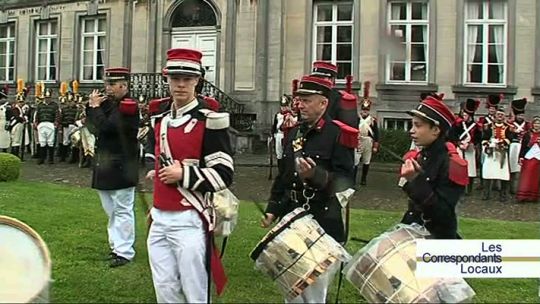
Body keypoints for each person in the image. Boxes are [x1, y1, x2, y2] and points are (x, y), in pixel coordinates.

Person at [144, 48, 233, 303]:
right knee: (164, 289)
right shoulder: (159, 119)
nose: (180, 84)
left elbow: (224, 174)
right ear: (167, 80)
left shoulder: (210, 121)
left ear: (197, 80)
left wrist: (183, 174)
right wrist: (157, 170)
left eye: (187, 78)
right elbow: (159, 151)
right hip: (159, 216)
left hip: (189, 218)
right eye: (175, 78)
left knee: (195, 291)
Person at [261, 75, 357, 303]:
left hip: (322, 221)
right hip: (292, 219)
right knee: (291, 290)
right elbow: (284, 176)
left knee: (313, 294)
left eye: (306, 100)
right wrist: (273, 208)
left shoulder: (338, 134)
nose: (299, 104)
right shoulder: (294, 133)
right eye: (298, 100)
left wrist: (316, 176)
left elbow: (346, 180)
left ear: (323, 103)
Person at [86, 67, 140, 267]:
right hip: (105, 164)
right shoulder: (108, 105)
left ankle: (125, 251)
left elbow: (108, 128)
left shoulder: (128, 106)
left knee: (123, 209)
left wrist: (95, 108)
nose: (107, 88)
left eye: (112, 85)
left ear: (123, 86)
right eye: (106, 84)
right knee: (110, 210)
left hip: (122, 165)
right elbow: (92, 126)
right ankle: (116, 246)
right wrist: (91, 107)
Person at [400, 94, 468, 239]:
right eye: (412, 125)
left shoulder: (451, 163)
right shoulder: (422, 155)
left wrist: (414, 180)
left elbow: (443, 216)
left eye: (418, 125)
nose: (411, 130)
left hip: (438, 238)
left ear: (436, 130)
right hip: (414, 229)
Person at [449, 98, 481, 195]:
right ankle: (459, 188)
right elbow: (451, 134)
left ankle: (469, 189)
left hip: (470, 148)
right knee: (459, 168)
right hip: (460, 147)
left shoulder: (475, 126)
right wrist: (458, 142)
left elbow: (478, 137)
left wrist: (472, 143)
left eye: (466, 115)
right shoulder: (458, 124)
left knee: (471, 169)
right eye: (463, 115)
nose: (464, 116)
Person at [480, 106, 513, 202]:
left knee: (503, 174)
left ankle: (503, 194)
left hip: (501, 154)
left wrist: (502, 143)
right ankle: (486, 193)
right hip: (490, 153)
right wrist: (488, 144)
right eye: (498, 114)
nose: (500, 116)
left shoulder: (508, 127)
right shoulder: (488, 126)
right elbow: (484, 138)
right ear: (494, 115)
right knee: (487, 172)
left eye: (502, 115)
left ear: (504, 117)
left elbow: (510, 138)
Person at [355, 81, 379, 186]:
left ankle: (363, 179)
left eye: (366, 110)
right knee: (355, 160)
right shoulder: (356, 119)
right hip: (358, 140)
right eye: (363, 109)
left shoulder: (372, 120)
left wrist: (375, 145)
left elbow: (376, 134)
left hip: (368, 141)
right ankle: (353, 178)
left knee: (366, 161)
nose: (365, 111)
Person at [507, 98, 529, 194]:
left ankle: (521, 188)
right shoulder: (510, 125)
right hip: (513, 147)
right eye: (519, 115)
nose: (521, 117)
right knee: (512, 168)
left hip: (524, 147)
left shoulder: (528, 125)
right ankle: (512, 188)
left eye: (522, 115)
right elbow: (507, 135)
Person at [516, 116, 540, 202]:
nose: (537, 125)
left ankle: (533, 196)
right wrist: (521, 157)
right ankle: (523, 196)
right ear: (532, 124)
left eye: (538, 123)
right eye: (535, 123)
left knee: (536, 178)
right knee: (526, 177)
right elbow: (523, 146)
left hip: (538, 157)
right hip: (528, 156)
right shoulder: (527, 134)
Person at [34, 85, 60, 165]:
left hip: (50, 124)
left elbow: (57, 115)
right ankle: (42, 158)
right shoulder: (40, 105)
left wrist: (56, 123)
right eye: (46, 97)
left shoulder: (54, 105)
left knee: (50, 142)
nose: (47, 99)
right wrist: (36, 123)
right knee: (42, 142)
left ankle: (50, 159)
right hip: (41, 124)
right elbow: (37, 115)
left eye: (48, 97)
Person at [58, 82, 79, 163]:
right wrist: (63, 123)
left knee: (74, 142)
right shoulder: (64, 109)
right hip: (66, 126)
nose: (70, 103)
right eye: (69, 101)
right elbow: (61, 117)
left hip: (74, 126)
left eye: (72, 101)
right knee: (65, 141)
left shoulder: (76, 109)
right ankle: (63, 156)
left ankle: (74, 158)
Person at [0, 86, 10, 152]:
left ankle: (5, 150)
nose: (2, 100)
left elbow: (9, 116)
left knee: (4, 137)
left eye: (3, 98)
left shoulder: (7, 107)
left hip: (4, 123)